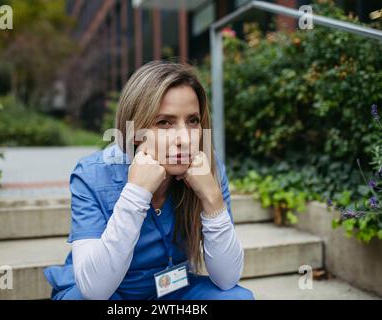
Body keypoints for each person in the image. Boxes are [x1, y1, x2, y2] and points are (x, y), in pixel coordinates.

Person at [44, 60, 254, 300]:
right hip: (111, 292)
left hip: (174, 290)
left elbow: (227, 279)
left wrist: (212, 199)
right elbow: (94, 290)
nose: (184, 139)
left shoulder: (208, 168)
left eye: (193, 121)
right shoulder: (92, 175)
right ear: (134, 131)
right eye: (164, 122)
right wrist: (136, 193)